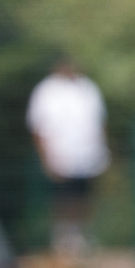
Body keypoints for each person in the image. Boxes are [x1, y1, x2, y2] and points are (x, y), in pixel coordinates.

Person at [26, 58, 109, 255]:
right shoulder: (46, 90)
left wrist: (102, 149)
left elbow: (99, 120)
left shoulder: (88, 88)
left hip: (87, 154)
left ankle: (82, 236)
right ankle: (63, 238)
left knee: (84, 196)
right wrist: (46, 156)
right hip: (60, 155)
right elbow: (38, 125)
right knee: (62, 197)